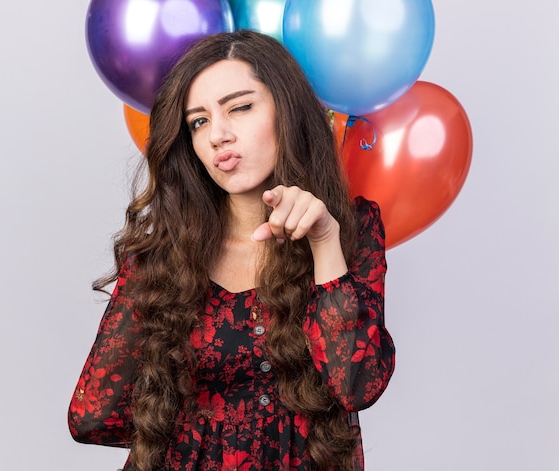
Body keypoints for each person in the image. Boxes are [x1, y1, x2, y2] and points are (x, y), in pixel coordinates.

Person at [68, 30, 395, 471]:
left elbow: (356, 386)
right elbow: (90, 417)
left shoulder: (351, 230)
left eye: (240, 107)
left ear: (288, 110)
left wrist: (323, 243)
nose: (218, 134)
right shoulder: (165, 253)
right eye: (198, 122)